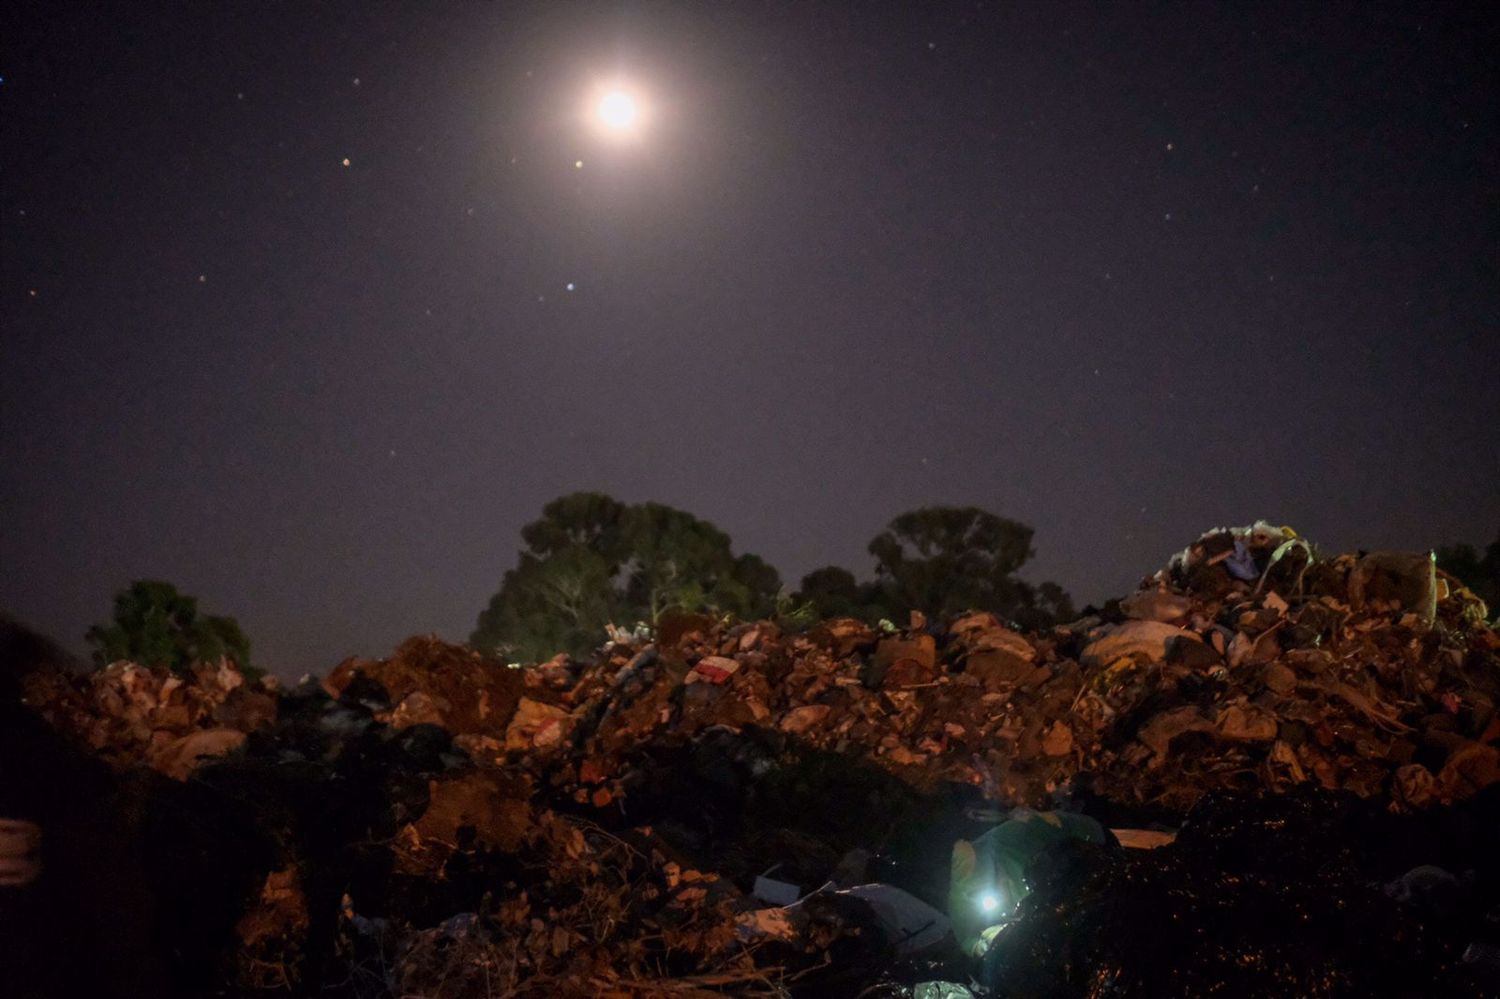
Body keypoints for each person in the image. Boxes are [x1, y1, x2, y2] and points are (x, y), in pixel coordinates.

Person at [947, 807, 1110, 956]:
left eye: (996, 881)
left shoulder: (1017, 836)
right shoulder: (962, 899)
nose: (1000, 890)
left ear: (997, 865)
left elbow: (1073, 826)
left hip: (1089, 846)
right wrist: (991, 940)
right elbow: (968, 940)